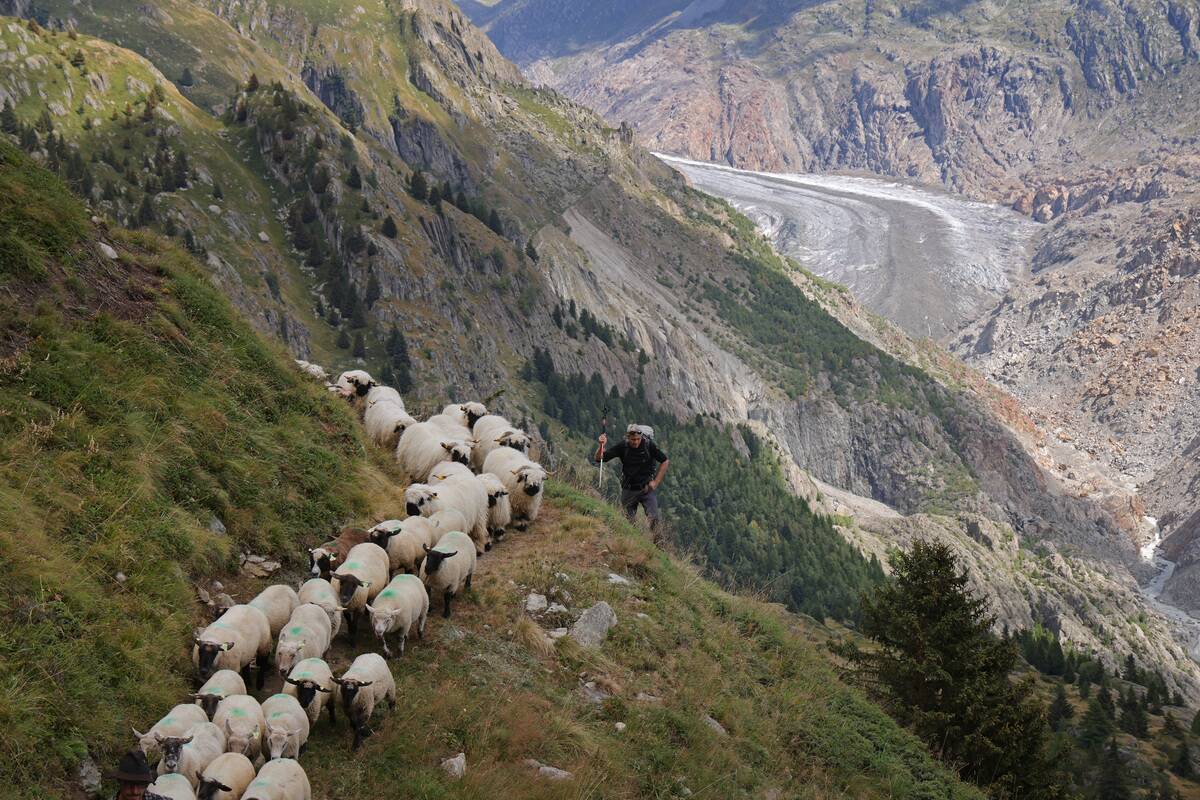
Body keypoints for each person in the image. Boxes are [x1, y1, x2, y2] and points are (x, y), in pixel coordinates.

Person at [595, 423, 669, 530]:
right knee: (628, 523)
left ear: (641, 437)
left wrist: (656, 482)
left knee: (654, 519)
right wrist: (601, 445)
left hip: (646, 489)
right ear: (628, 437)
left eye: (638, 439)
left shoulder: (648, 445)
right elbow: (600, 458)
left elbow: (665, 461)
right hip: (628, 489)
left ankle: (658, 545)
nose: (636, 442)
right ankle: (631, 543)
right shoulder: (623, 446)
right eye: (633, 439)